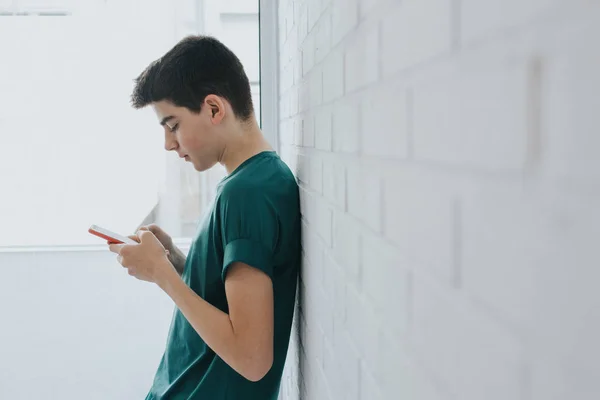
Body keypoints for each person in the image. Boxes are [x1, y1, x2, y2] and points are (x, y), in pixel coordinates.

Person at [108, 35, 301, 400]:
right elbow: (228, 296)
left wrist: (161, 276)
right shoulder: (251, 182)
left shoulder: (248, 193)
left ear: (214, 109)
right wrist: (178, 263)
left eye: (173, 124)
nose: (168, 143)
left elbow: (251, 357)